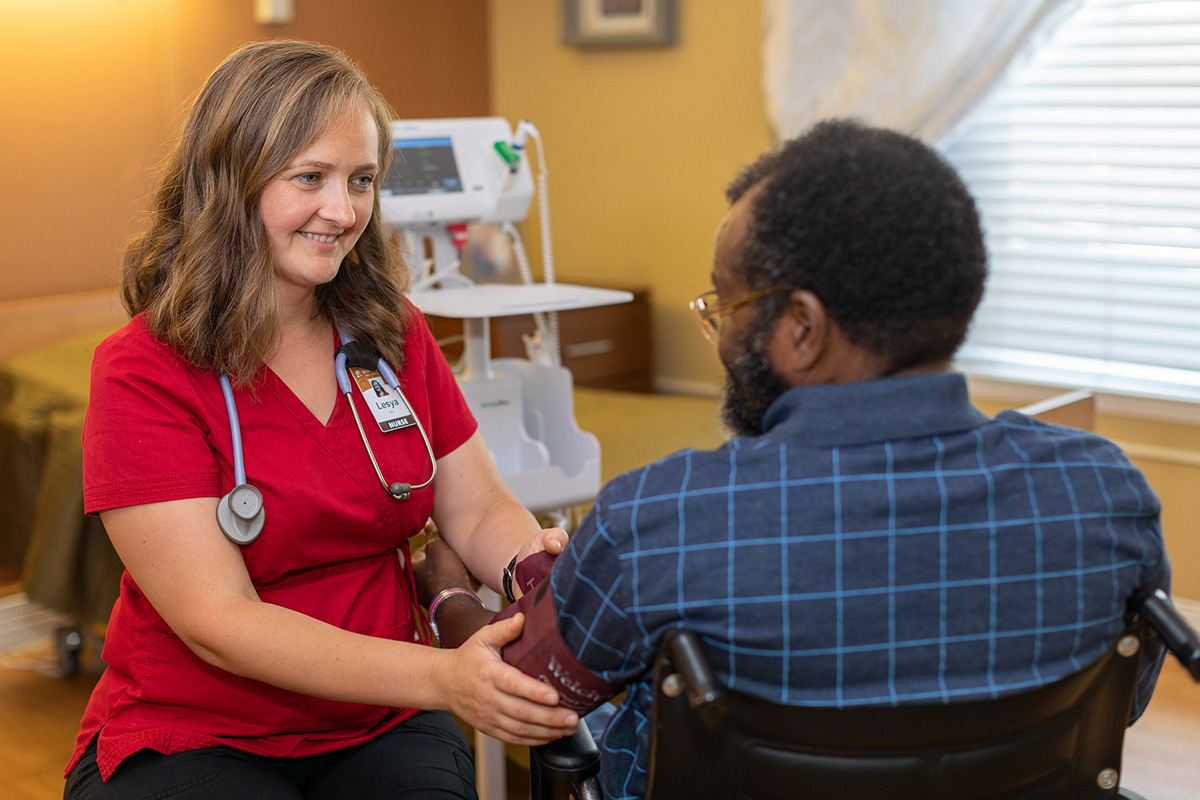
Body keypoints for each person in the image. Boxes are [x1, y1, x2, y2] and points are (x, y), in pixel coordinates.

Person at [414, 118, 1171, 800]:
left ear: (802, 329)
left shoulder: (666, 518)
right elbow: (1116, 706)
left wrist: (447, 594)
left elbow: (525, 691)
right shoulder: (1105, 495)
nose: (719, 335)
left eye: (726, 305)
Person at [64, 40, 578, 800]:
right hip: (197, 729)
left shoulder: (388, 332)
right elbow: (219, 621)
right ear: (230, 183)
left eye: (361, 180)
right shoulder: (144, 371)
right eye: (310, 178)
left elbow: (474, 505)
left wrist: (532, 568)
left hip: (382, 713)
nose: (343, 212)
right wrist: (443, 676)